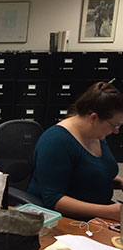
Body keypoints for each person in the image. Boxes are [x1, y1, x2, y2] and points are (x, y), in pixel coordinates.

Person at [27, 82, 123, 221]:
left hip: (99, 213)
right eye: (114, 125)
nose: (116, 131)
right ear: (93, 118)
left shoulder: (96, 133)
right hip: (70, 221)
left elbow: (93, 171)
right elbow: (53, 199)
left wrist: (120, 182)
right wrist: (108, 212)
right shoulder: (56, 141)